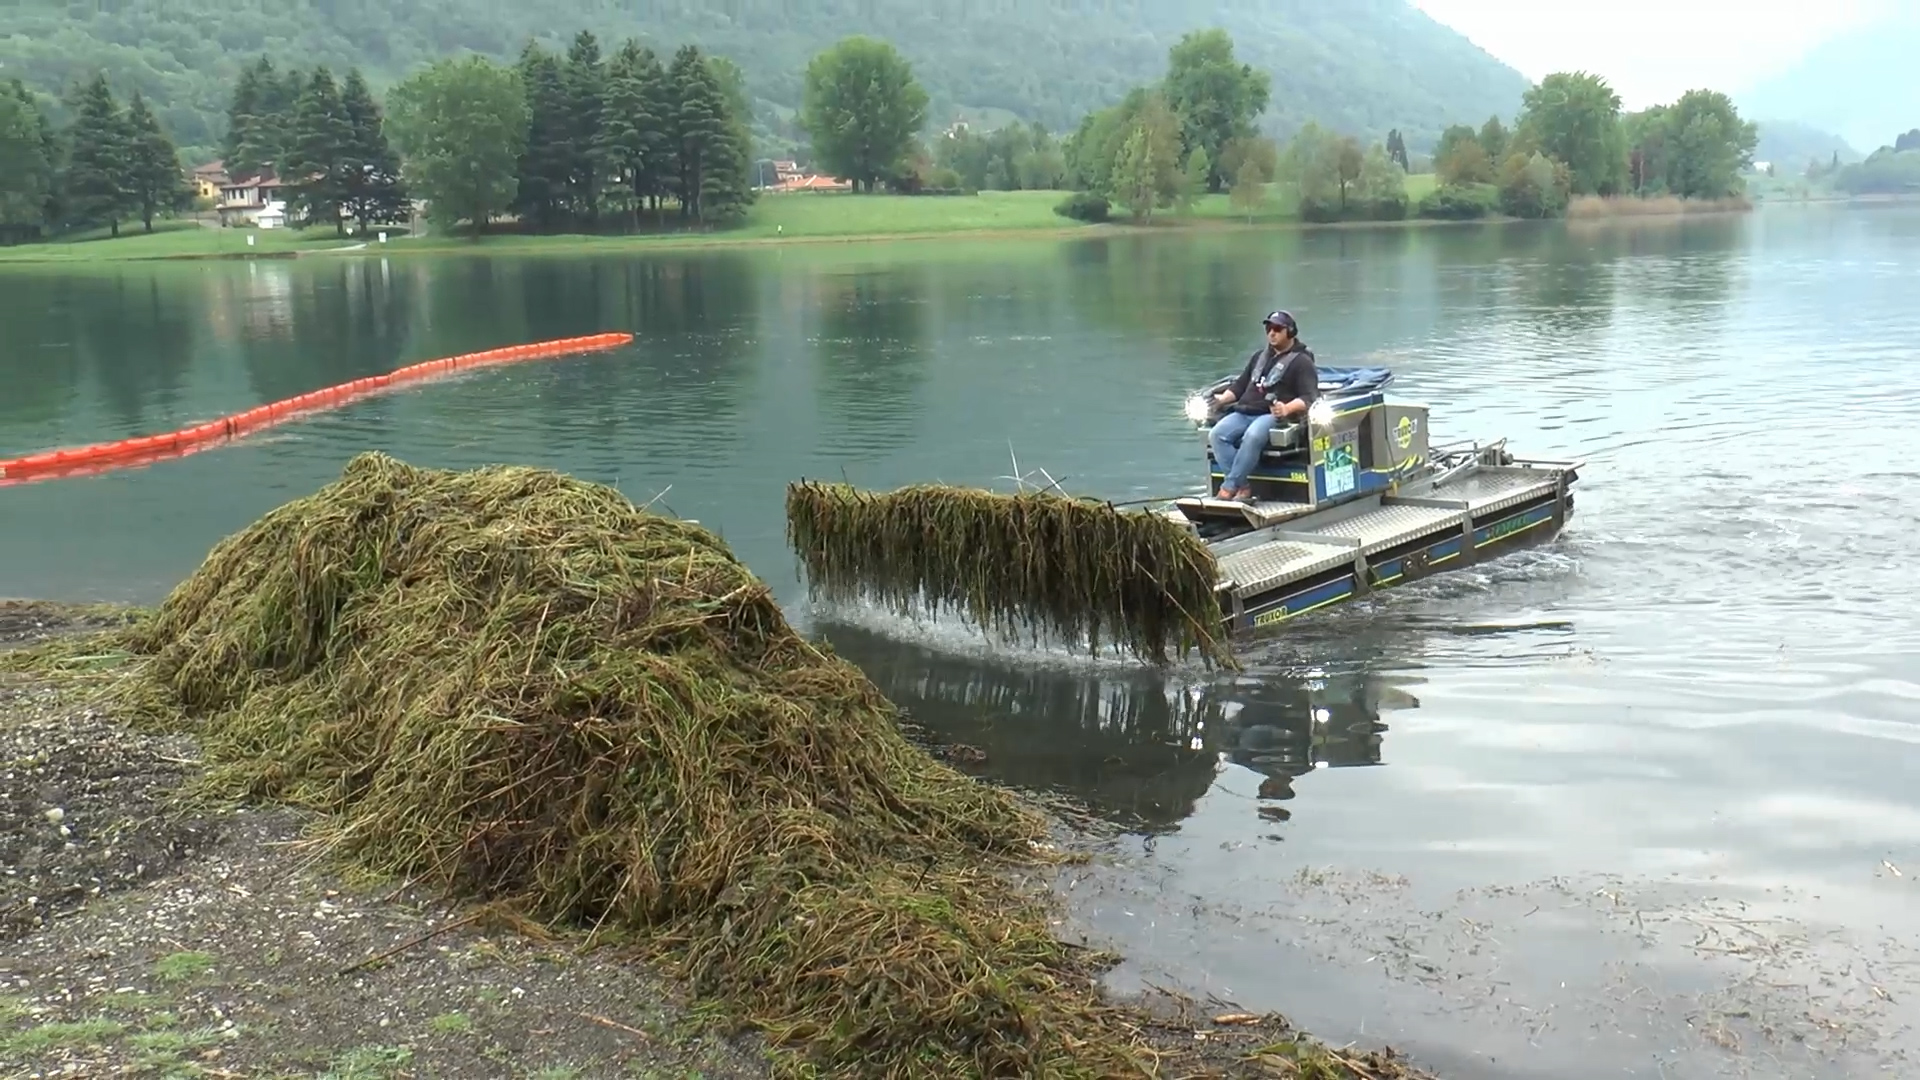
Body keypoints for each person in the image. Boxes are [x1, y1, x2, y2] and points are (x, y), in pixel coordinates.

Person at [1208, 310, 1320, 502]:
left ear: (1290, 332)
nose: (1272, 333)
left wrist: (1286, 408)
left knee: (1252, 435)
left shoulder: (1302, 362)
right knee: (1216, 435)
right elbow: (1240, 386)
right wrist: (1220, 400)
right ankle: (1242, 486)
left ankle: (1227, 489)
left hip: (1272, 415)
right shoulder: (1259, 357)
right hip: (1244, 411)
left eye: (1277, 329)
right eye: (1269, 328)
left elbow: (1309, 397)